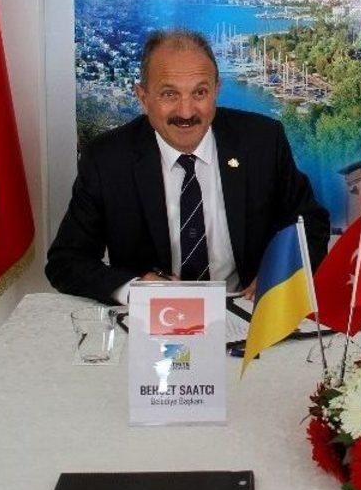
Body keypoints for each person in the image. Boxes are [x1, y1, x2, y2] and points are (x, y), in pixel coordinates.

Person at [46, 29, 330, 303]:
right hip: (153, 317)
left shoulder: (263, 141)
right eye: (169, 94)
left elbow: (311, 223)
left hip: (246, 309)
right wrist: (136, 289)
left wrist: (284, 272)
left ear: (216, 90)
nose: (186, 112)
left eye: (200, 93)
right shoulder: (107, 159)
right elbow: (66, 261)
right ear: (143, 97)